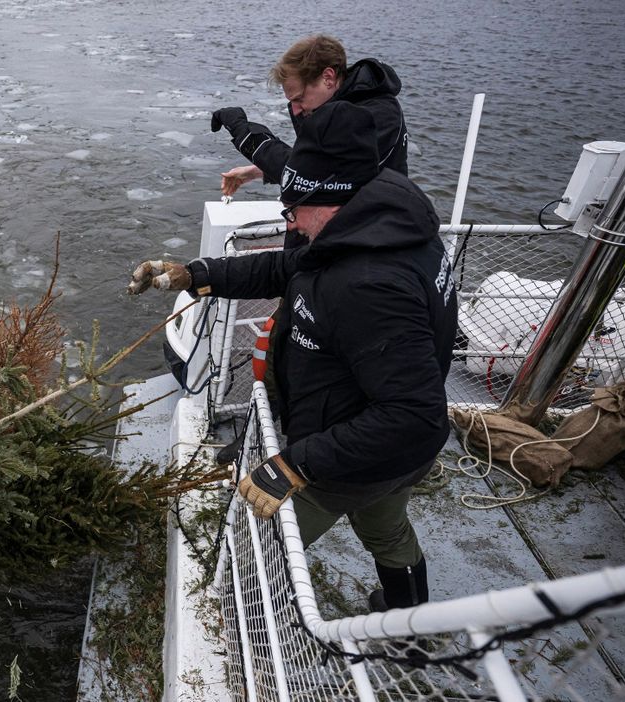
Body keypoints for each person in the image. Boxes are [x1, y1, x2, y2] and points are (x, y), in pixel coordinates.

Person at [128, 102, 457, 611]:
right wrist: (193, 273)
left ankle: (248, 630)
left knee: (255, 544)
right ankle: (407, 620)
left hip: (343, 460)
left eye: (294, 208)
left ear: (332, 202)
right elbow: (287, 268)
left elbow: (417, 416)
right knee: (388, 531)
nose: (290, 221)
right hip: (387, 459)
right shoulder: (376, 228)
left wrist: (295, 465)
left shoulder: (368, 285)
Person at [212, 35, 410, 234]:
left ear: (328, 78)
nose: (296, 110)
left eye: (299, 98)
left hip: (373, 233)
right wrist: (257, 171)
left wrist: (242, 131)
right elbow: (316, 163)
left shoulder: (376, 116)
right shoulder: (326, 107)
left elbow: (313, 177)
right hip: (337, 226)